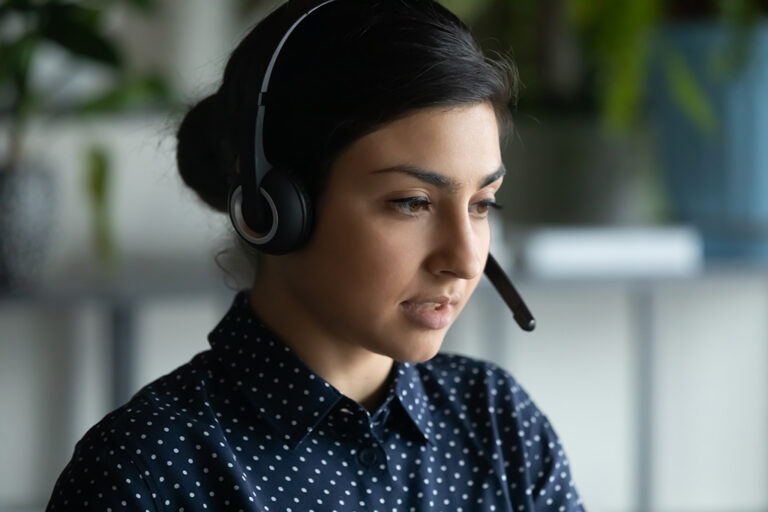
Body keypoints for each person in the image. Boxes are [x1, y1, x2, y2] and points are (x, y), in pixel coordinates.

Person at [46, 0, 585, 510]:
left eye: (482, 203)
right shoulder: (146, 469)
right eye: (412, 202)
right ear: (274, 209)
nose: (465, 261)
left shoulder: (497, 422)